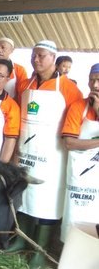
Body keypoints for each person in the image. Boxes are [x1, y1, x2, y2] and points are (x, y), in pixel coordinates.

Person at [11, 40, 83, 268]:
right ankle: (21, 240)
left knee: (46, 200)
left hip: (52, 155)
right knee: (25, 196)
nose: (36, 59)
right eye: (34, 55)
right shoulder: (25, 84)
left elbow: (77, 121)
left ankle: (39, 249)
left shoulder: (69, 89)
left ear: (53, 58)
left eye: (41, 55)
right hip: (26, 151)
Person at [59, 63, 99, 242]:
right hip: (80, 178)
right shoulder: (77, 107)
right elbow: (70, 143)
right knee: (74, 214)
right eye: (92, 80)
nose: (95, 86)